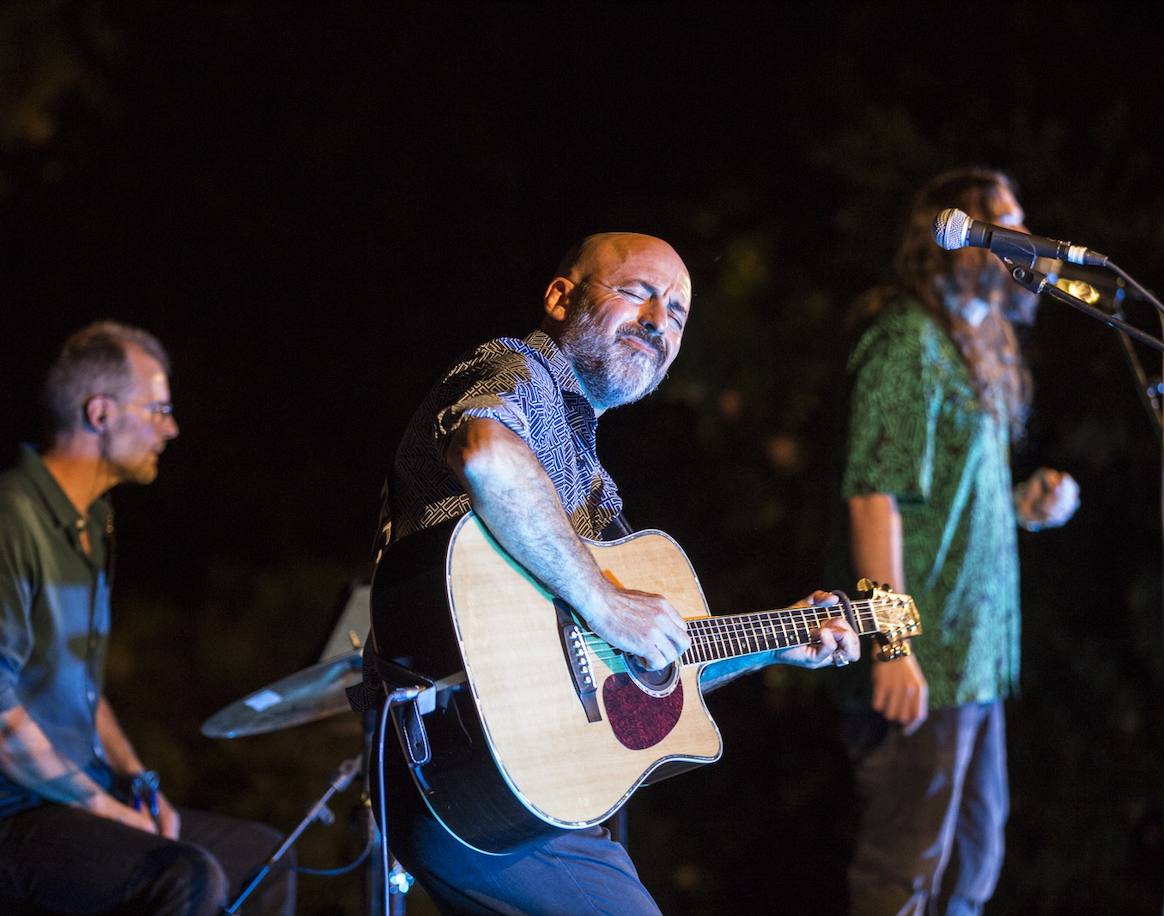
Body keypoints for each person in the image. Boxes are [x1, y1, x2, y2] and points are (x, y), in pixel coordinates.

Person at [373, 232, 860, 914]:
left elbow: (644, 670)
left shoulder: (595, 487)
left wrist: (777, 642)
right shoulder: (521, 371)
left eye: (679, 314)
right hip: (463, 761)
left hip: (527, 790)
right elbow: (485, 454)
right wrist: (605, 601)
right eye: (639, 292)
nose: (660, 321)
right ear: (560, 297)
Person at [840, 170, 1080, 915]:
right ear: (956, 241)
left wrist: (1019, 505)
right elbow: (873, 498)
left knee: (970, 869)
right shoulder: (909, 343)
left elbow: (936, 505)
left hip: (976, 660)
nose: (1024, 242)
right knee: (904, 876)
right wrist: (892, 645)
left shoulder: (972, 350)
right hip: (929, 659)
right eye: (1003, 226)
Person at [0, 321, 295, 915]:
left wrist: (138, 780)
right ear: (101, 412)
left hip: (70, 797)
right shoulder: (13, 515)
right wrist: (106, 810)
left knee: (263, 856)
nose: (172, 428)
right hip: (16, 811)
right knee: (183, 877)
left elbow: (83, 686)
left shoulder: (93, 520)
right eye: (158, 409)